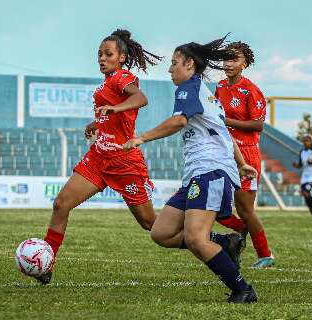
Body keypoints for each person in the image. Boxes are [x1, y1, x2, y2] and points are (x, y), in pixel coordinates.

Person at [35, 29, 241, 285]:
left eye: (108, 54)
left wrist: (114, 108)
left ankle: (220, 242)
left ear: (122, 58)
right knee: (61, 204)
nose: (101, 58)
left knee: (151, 225)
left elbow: (140, 99)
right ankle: (46, 262)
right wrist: (98, 122)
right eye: (99, 54)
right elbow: (116, 117)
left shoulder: (122, 77)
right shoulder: (108, 81)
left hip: (124, 161)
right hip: (99, 157)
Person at [124, 36, 258, 303]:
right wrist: (242, 164)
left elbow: (179, 121)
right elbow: (224, 134)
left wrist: (142, 137)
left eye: (174, 63)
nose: (170, 68)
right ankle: (224, 243)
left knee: (196, 239)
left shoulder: (189, 88)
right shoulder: (206, 94)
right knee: (161, 233)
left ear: (189, 64)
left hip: (210, 171)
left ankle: (243, 289)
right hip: (201, 173)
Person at [214, 41, 275, 269]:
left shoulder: (251, 90)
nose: (228, 63)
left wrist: (226, 121)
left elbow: (258, 125)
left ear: (245, 64)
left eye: (234, 59)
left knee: (245, 209)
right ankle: (239, 231)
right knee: (215, 205)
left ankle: (265, 254)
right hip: (223, 152)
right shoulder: (220, 86)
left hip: (246, 155)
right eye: (226, 59)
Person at [292, 135, 312, 216]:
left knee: (307, 193)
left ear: (311, 142)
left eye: (307, 140)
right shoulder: (302, 152)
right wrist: (296, 165)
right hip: (305, 176)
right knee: (304, 194)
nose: (305, 142)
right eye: (304, 141)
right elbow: (300, 164)